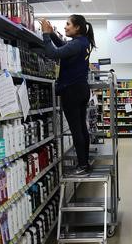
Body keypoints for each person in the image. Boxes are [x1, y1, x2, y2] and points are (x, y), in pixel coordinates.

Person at [39, 15, 95, 176]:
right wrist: (52, 34)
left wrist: (45, 35)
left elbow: (53, 54)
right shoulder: (83, 42)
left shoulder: (77, 44)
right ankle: (85, 161)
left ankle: (83, 165)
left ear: (77, 27)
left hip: (71, 90)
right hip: (82, 89)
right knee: (82, 127)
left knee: (76, 129)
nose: (65, 27)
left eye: (68, 24)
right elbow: (64, 47)